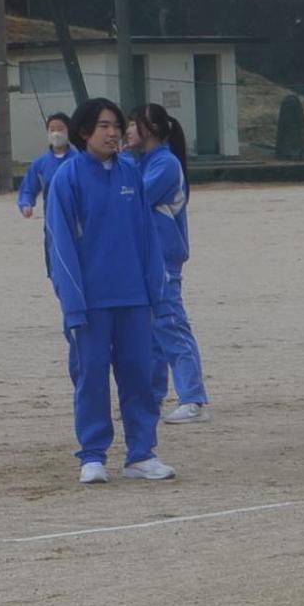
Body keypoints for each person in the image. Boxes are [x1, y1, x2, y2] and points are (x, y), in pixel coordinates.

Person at [44, 98, 175, 485]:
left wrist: (155, 290)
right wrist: (73, 302)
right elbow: (60, 245)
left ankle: (141, 453)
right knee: (91, 377)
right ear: (84, 132)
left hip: (134, 298)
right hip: (92, 302)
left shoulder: (131, 174)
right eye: (103, 125)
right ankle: (93, 454)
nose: (113, 133)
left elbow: (147, 238)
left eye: (117, 125)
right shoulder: (67, 178)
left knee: (140, 376)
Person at [130, 103, 210, 424]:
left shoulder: (164, 164)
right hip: (147, 256)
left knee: (170, 323)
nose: (126, 131)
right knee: (151, 331)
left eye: (133, 125)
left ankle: (194, 399)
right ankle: (154, 395)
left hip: (162, 256)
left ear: (150, 129)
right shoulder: (143, 161)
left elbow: (133, 199)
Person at [18, 112, 77, 218]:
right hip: (52, 218)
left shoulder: (79, 160)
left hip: (78, 217)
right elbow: (28, 188)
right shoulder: (40, 164)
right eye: (52, 130)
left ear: (69, 131)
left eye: (60, 129)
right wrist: (26, 204)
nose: (56, 134)